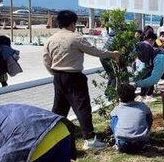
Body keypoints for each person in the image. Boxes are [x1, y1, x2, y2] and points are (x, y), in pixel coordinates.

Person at [43, 10, 120, 150]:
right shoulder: (75, 37)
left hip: (58, 77)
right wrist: (112, 54)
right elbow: (95, 51)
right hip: (74, 76)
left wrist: (54, 73)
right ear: (73, 23)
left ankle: (51, 138)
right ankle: (89, 140)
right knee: (82, 108)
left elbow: (46, 59)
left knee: (59, 109)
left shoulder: (51, 39)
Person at [110, 83, 153, 152]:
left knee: (113, 118)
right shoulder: (142, 106)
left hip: (123, 143)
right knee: (148, 115)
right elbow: (149, 118)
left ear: (119, 97)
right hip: (141, 142)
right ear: (134, 95)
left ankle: (117, 143)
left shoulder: (117, 109)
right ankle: (144, 134)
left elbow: (112, 119)